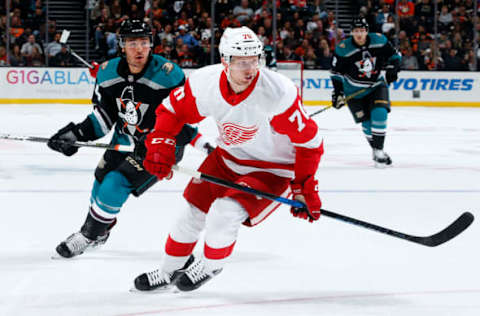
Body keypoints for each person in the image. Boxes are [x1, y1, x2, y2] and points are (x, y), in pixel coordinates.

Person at [133, 26, 324, 292]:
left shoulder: (278, 93)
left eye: (254, 60)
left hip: (272, 170)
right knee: (190, 214)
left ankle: (210, 265)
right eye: (242, 62)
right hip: (227, 157)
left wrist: (304, 187)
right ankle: (168, 271)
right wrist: (161, 145)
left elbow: (310, 143)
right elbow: (172, 110)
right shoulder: (205, 82)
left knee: (225, 213)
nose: (250, 69)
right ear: (225, 60)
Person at [47, 19, 211, 259]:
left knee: (115, 181)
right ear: (122, 45)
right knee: (100, 182)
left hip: (161, 145)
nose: (139, 48)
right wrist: (74, 135)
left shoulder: (169, 75)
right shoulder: (107, 73)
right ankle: (101, 231)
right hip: (124, 139)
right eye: (132, 42)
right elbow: (104, 118)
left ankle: (88, 234)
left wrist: (188, 143)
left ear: (151, 44)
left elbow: (185, 122)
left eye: (144, 42)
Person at [330, 17, 401, 168]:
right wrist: (338, 93)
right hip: (353, 91)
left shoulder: (379, 41)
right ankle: (376, 150)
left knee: (380, 113)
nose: (359, 34)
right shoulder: (343, 48)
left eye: (362, 31)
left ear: (367, 31)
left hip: (376, 85)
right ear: (351, 33)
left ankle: (379, 152)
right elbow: (336, 73)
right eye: (356, 31)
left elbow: (395, 56)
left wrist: (393, 69)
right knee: (367, 124)